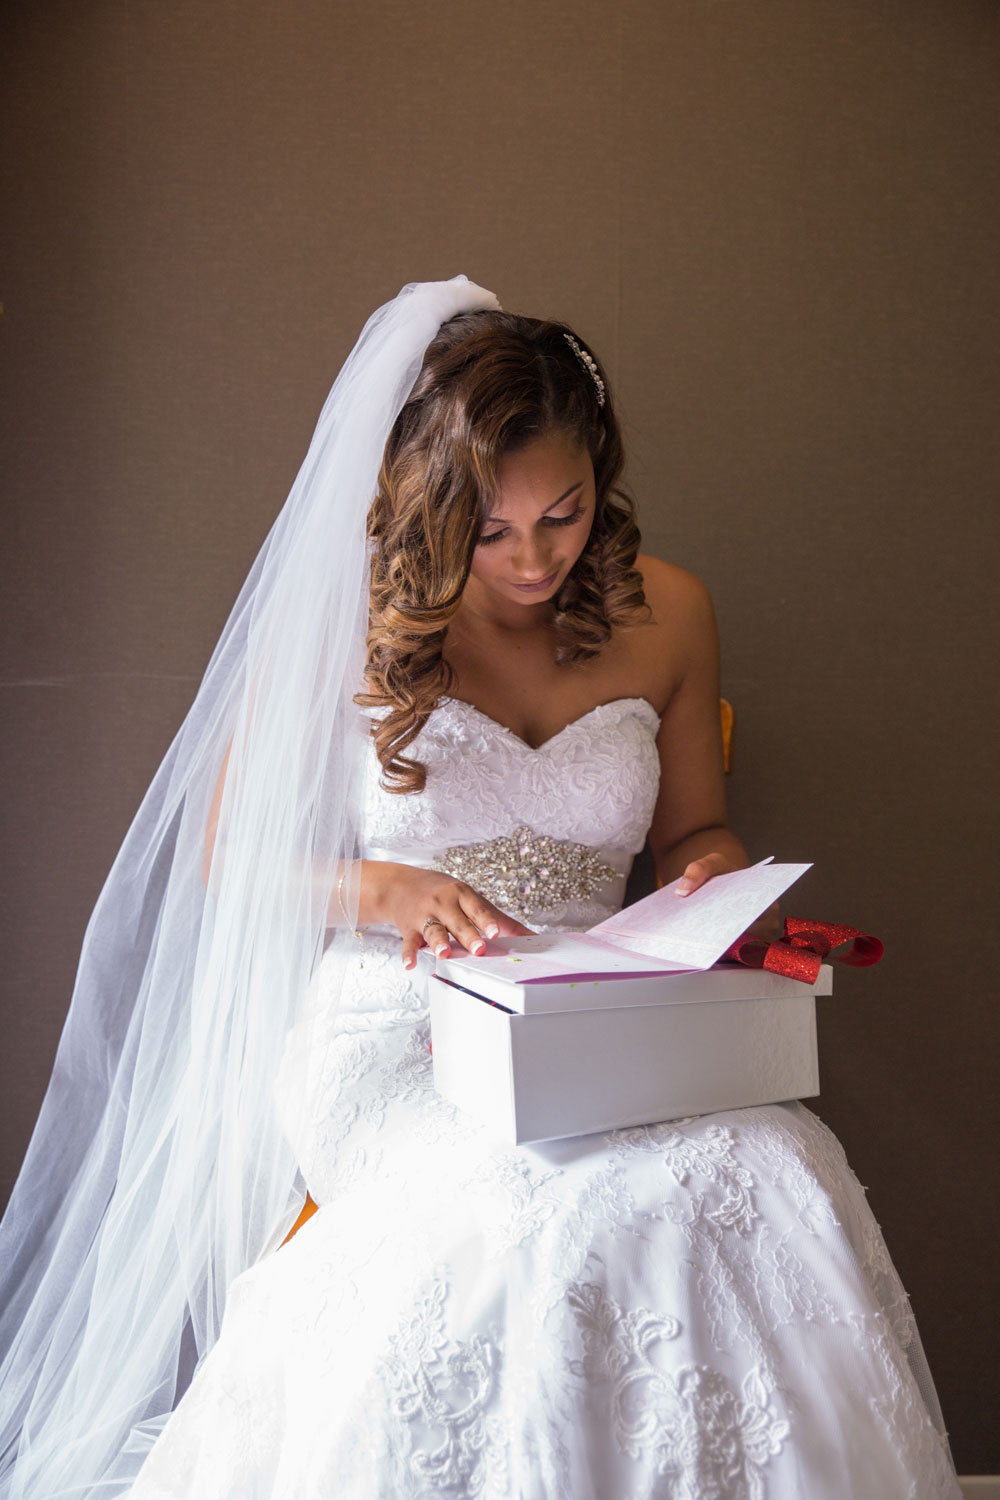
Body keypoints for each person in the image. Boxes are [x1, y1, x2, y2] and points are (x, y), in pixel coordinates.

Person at [0, 278, 960, 1499]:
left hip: (597, 1015)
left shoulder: (670, 614)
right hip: (397, 1024)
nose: (529, 560)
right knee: (535, 1204)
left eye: (560, 518)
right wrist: (389, 891)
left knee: (772, 1162)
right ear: (436, 503)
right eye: (491, 531)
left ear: (598, 475)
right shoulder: (351, 617)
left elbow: (695, 829)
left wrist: (709, 880)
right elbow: (223, 856)